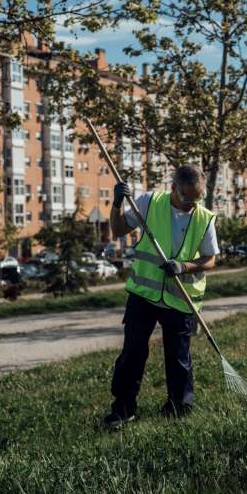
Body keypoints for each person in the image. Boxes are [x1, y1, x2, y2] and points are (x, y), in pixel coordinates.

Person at [102, 164, 220, 430]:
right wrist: (117, 202)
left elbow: (210, 259)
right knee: (132, 353)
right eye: (187, 197)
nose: (192, 203)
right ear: (173, 188)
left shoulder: (204, 218)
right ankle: (123, 410)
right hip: (143, 295)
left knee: (178, 357)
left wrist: (184, 266)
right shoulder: (149, 202)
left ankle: (179, 408)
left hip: (180, 299)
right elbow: (119, 229)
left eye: (197, 198)